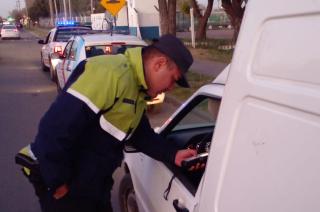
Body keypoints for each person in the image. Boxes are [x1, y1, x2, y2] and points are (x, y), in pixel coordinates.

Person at [16, 34, 197, 212]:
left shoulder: (137, 90)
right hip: (68, 186)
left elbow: (140, 135)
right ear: (159, 64)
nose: (171, 87)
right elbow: (55, 129)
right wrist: (58, 183)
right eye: (173, 78)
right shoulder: (109, 74)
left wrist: (173, 154)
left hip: (94, 184)